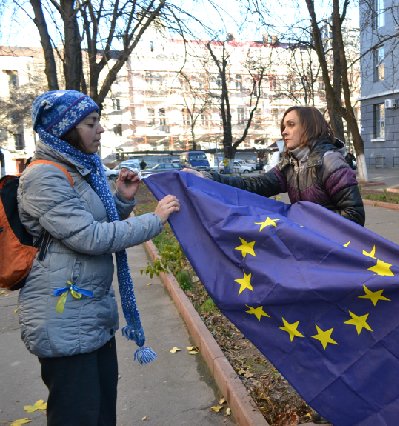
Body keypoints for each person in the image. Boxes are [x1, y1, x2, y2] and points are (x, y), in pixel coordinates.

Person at [17, 90, 180, 425]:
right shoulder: (43, 176)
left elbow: (93, 223)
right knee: (78, 416)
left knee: (102, 413)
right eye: (91, 123)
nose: (101, 129)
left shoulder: (78, 169)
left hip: (89, 314)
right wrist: (155, 219)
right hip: (64, 318)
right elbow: (89, 237)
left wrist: (121, 198)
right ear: (66, 129)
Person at [184, 106, 365, 225]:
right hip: (310, 244)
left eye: (291, 125)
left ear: (310, 127)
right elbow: (255, 185)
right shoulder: (290, 165)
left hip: (335, 251)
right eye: (283, 127)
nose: (284, 132)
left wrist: (307, 223)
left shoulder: (330, 162)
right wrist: (208, 178)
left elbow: (355, 216)